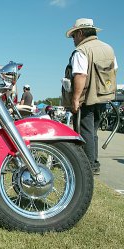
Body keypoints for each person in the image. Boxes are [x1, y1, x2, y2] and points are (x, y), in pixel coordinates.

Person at [64, 18, 118, 175]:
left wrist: (75, 99)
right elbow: (114, 71)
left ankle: (88, 166)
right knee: (92, 131)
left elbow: (80, 75)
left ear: (80, 33)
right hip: (103, 97)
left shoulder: (82, 51)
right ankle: (93, 163)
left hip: (86, 98)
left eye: (74, 36)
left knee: (84, 131)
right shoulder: (108, 48)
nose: (73, 39)